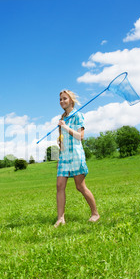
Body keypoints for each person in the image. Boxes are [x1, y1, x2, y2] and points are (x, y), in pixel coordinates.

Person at [55, 90, 99, 227]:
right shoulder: (62, 119)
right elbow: (62, 142)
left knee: (80, 186)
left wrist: (66, 127)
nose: (62, 101)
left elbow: (80, 136)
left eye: (64, 99)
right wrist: (59, 150)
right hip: (64, 156)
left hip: (75, 154)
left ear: (71, 100)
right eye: (60, 99)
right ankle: (60, 218)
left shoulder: (78, 116)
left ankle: (95, 213)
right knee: (59, 186)